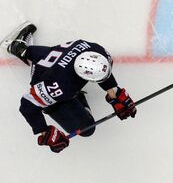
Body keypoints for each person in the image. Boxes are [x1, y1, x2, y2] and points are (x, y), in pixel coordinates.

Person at [3, 22, 137, 153]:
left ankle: (23, 50)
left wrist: (115, 93)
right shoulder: (58, 86)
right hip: (48, 78)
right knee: (87, 129)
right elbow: (27, 105)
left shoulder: (98, 51)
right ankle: (19, 49)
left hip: (54, 60)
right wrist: (45, 132)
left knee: (50, 60)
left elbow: (102, 73)